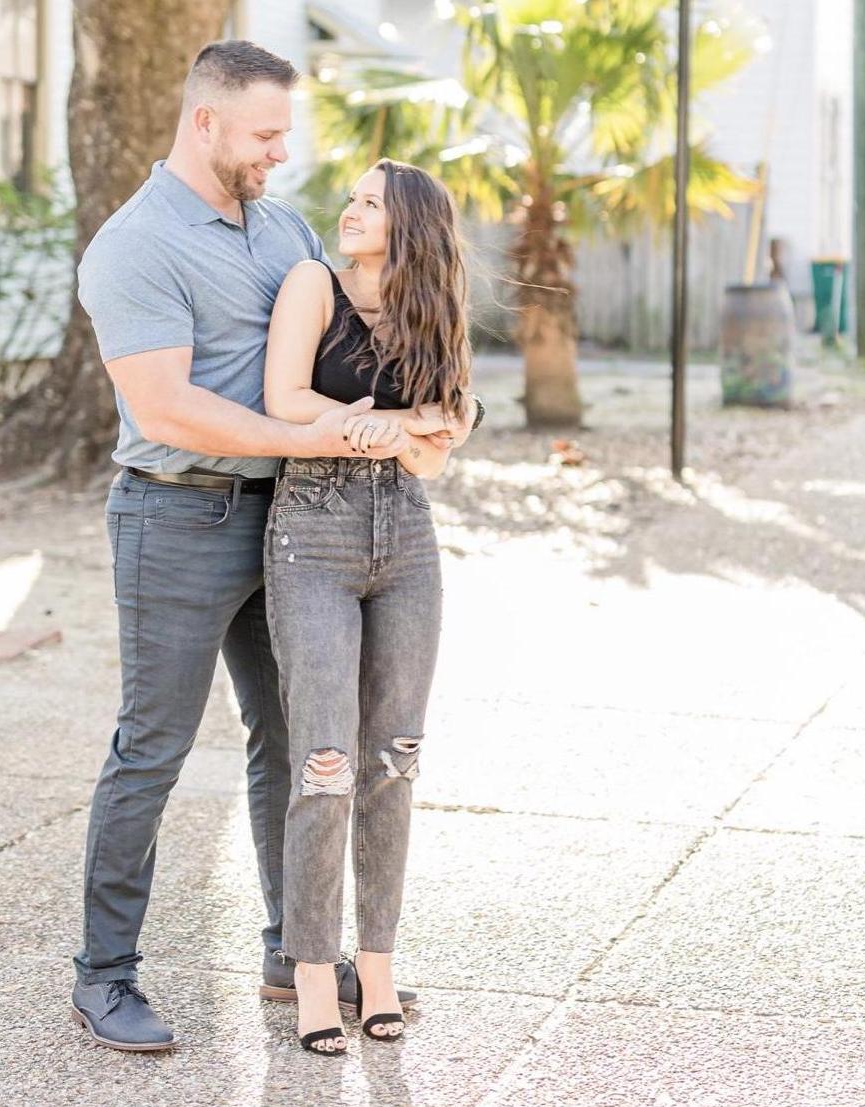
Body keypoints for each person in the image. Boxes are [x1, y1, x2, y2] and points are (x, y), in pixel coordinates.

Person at [70, 41, 475, 1052]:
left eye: (284, 135)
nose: (279, 153)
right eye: (264, 135)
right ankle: (104, 975)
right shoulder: (134, 246)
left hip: (295, 525)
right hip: (176, 516)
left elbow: (366, 343)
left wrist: (437, 412)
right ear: (204, 121)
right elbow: (170, 409)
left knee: (296, 741)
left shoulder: (283, 228)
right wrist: (335, 437)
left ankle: (292, 953)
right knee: (153, 746)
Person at [261, 158, 474, 1054]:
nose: (350, 211)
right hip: (312, 535)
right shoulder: (313, 284)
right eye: (350, 198)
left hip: (407, 541)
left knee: (396, 759)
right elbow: (284, 401)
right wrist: (399, 426)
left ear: (410, 223)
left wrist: (409, 430)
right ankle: (313, 972)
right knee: (324, 762)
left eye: (370, 202)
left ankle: (376, 968)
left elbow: (443, 442)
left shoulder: (435, 306)